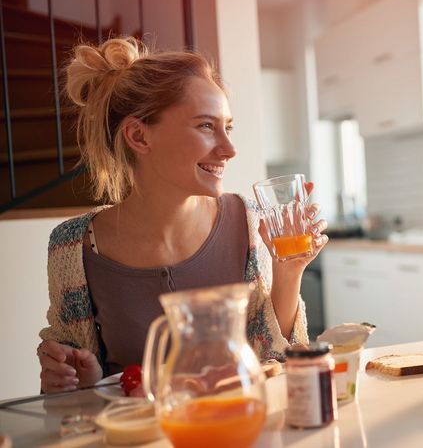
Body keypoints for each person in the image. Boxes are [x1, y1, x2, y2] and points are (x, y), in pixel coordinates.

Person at [37, 36, 328, 393]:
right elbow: (74, 390)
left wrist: (288, 272)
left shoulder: (251, 224)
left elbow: (274, 367)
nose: (230, 149)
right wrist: (80, 382)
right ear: (139, 137)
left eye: (228, 127)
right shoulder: (73, 248)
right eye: (206, 126)